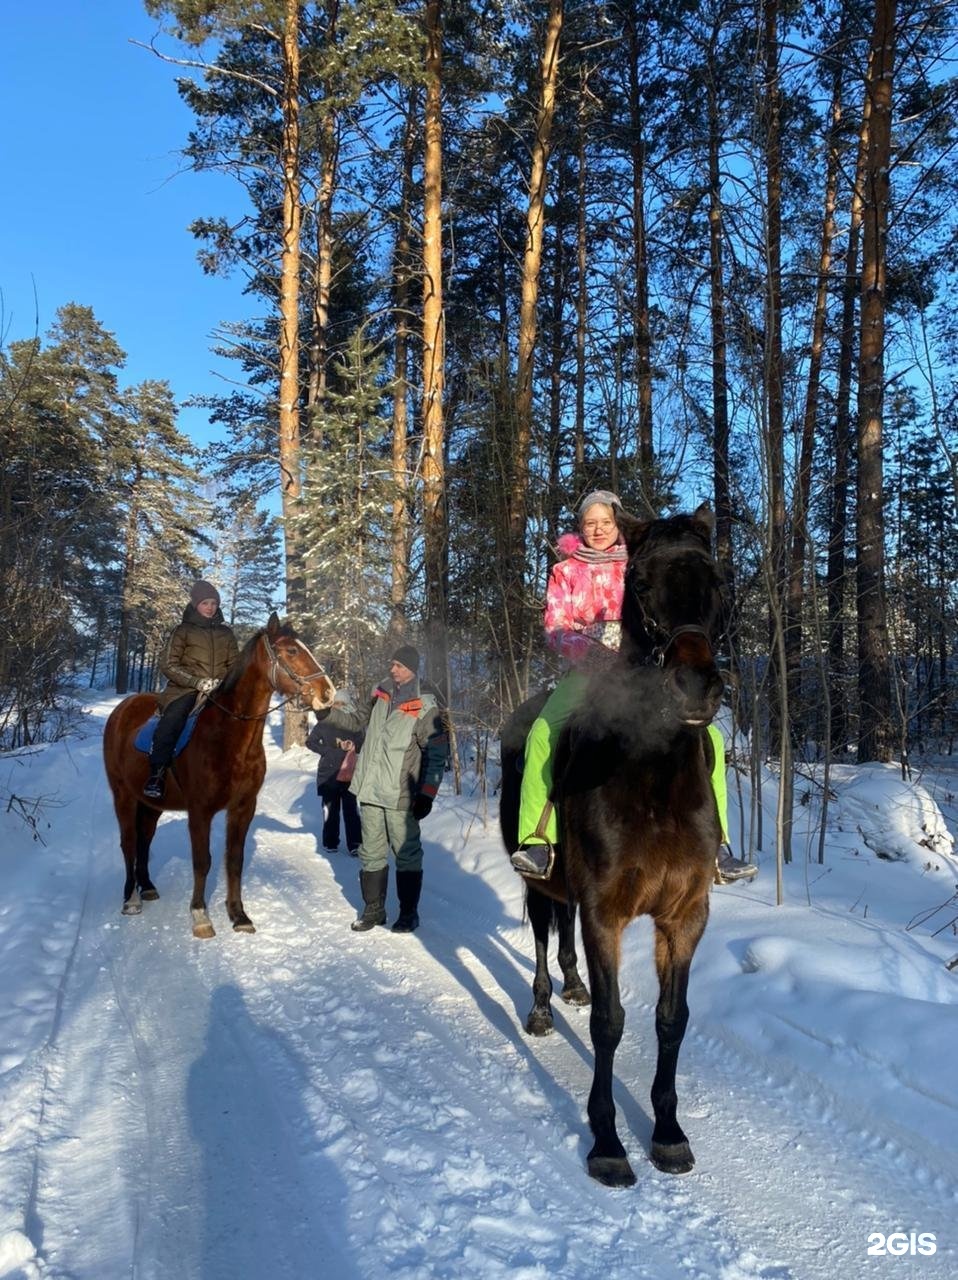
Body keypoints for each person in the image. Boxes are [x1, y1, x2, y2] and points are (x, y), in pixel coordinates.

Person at [509, 491, 757, 885]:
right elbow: (555, 628)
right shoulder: (566, 571)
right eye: (590, 523)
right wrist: (587, 652)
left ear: (617, 525)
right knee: (542, 733)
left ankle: (718, 846)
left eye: (606, 522)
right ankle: (538, 837)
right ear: (581, 527)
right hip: (588, 672)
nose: (599, 529)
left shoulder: (641, 561)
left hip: (641, 670)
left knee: (710, 737)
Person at [331, 644, 447, 934]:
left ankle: (408, 914)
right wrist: (325, 715)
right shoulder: (379, 694)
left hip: (400, 795)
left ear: (412, 669)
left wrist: (427, 794)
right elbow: (355, 720)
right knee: (370, 852)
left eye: (399, 665)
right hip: (370, 789)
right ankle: (374, 910)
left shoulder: (425, 705)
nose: (393, 669)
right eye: (392, 664)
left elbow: (436, 754)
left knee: (407, 853)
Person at [143, 580, 239, 799]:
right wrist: (196, 682)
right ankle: (157, 773)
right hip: (184, 690)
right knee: (174, 719)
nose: (210, 607)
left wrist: (223, 683)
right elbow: (168, 664)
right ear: (196, 604)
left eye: (214, 603)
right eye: (205, 602)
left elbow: (234, 665)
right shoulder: (182, 631)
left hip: (218, 690)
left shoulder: (226, 633)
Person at [305, 691, 364, 855]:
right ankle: (331, 842)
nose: (339, 707)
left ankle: (355, 844)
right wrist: (329, 750)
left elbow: (362, 742)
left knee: (351, 811)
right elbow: (310, 742)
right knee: (330, 811)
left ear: (348, 705)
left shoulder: (354, 722)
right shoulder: (325, 721)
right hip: (328, 774)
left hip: (349, 772)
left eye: (342, 704)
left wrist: (353, 744)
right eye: (336, 703)